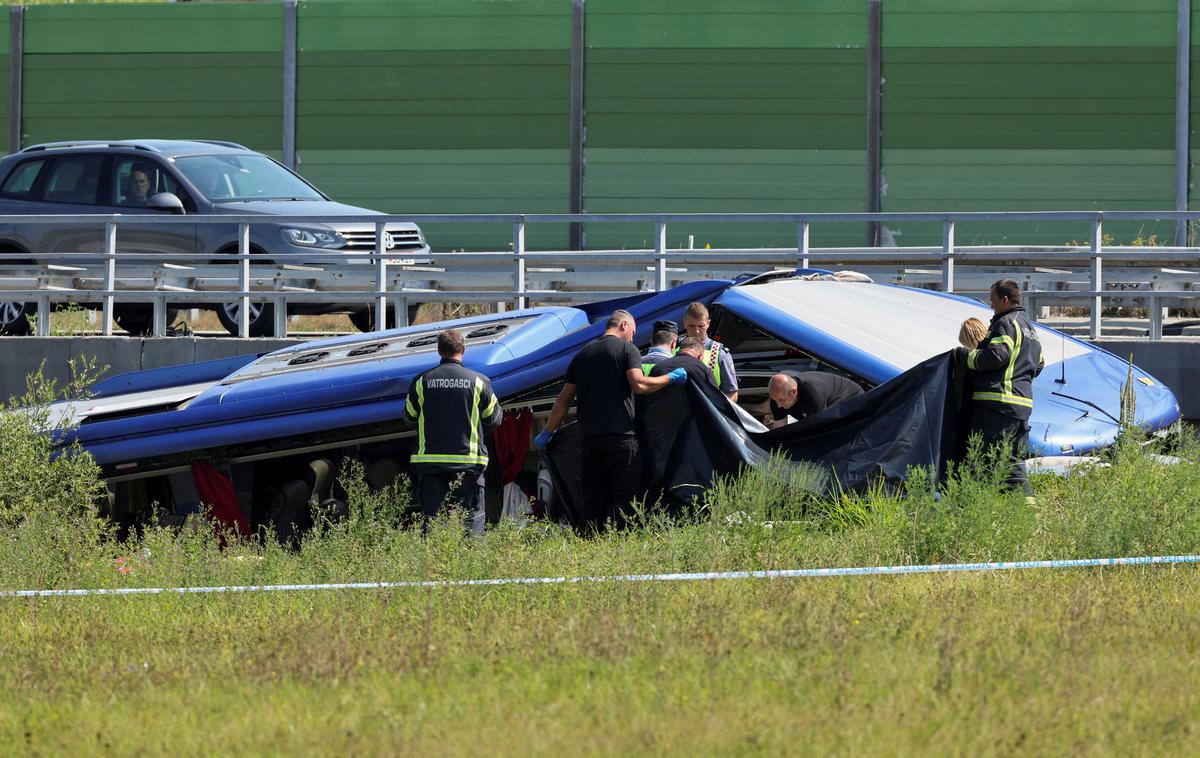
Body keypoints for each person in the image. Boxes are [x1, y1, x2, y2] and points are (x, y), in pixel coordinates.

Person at [536, 309, 687, 533]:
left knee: (593, 500)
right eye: (633, 332)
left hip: (589, 441)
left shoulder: (583, 354)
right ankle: (621, 549)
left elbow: (563, 400)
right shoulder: (627, 349)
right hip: (621, 438)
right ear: (624, 326)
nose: (633, 337)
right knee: (625, 499)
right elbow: (639, 385)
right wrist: (669, 378)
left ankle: (589, 546)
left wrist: (548, 431)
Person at [404, 328, 503, 535]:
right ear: (463, 349)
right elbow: (494, 419)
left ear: (439, 351)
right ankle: (472, 564)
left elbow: (409, 418)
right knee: (472, 522)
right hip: (468, 464)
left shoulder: (421, 381)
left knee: (432, 524)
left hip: (430, 463)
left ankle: (431, 564)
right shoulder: (479, 382)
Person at [964, 279, 1044, 501]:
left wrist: (965, 358)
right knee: (1014, 461)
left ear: (1005, 299)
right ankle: (1028, 511)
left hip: (996, 404)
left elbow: (998, 356)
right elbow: (1038, 365)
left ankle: (977, 507)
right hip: (1022, 407)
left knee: (980, 456)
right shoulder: (1030, 328)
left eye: (993, 300)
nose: (991, 305)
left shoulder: (1005, 323)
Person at [766, 370, 864, 428]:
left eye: (781, 400)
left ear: (793, 392)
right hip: (821, 398)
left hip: (850, 397)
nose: (779, 405)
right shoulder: (777, 398)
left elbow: (816, 430)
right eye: (775, 400)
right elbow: (780, 430)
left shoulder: (813, 395)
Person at [682, 302, 738, 401]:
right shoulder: (674, 348)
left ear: (708, 323)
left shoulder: (719, 353)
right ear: (684, 323)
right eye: (692, 326)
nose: (696, 331)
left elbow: (732, 393)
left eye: (701, 326)